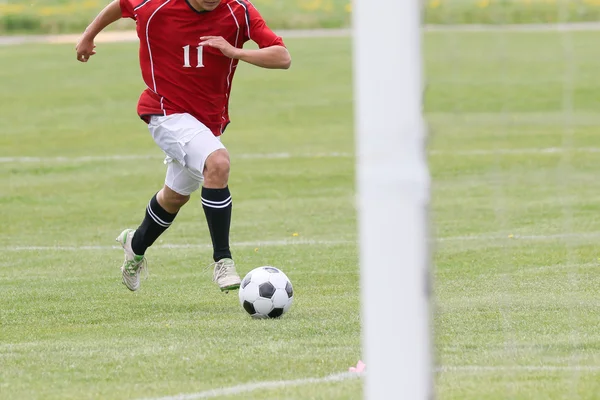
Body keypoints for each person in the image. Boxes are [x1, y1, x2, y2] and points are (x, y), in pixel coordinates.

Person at [75, 0, 291, 292]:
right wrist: (89, 35)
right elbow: (122, 5)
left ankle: (134, 244)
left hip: (207, 122)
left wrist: (234, 51)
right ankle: (223, 261)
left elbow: (282, 57)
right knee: (218, 162)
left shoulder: (238, 10)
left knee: (174, 198)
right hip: (164, 112)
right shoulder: (155, 6)